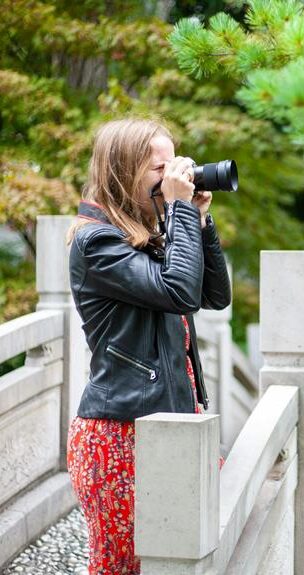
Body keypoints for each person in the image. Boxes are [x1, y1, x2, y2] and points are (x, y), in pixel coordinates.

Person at [65, 118, 231, 575]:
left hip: (172, 424)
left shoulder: (147, 236)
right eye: (161, 168)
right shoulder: (96, 241)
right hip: (121, 437)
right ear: (124, 171)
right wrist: (178, 211)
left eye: (176, 164)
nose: (175, 176)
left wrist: (197, 219)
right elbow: (178, 290)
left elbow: (212, 296)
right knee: (124, 568)